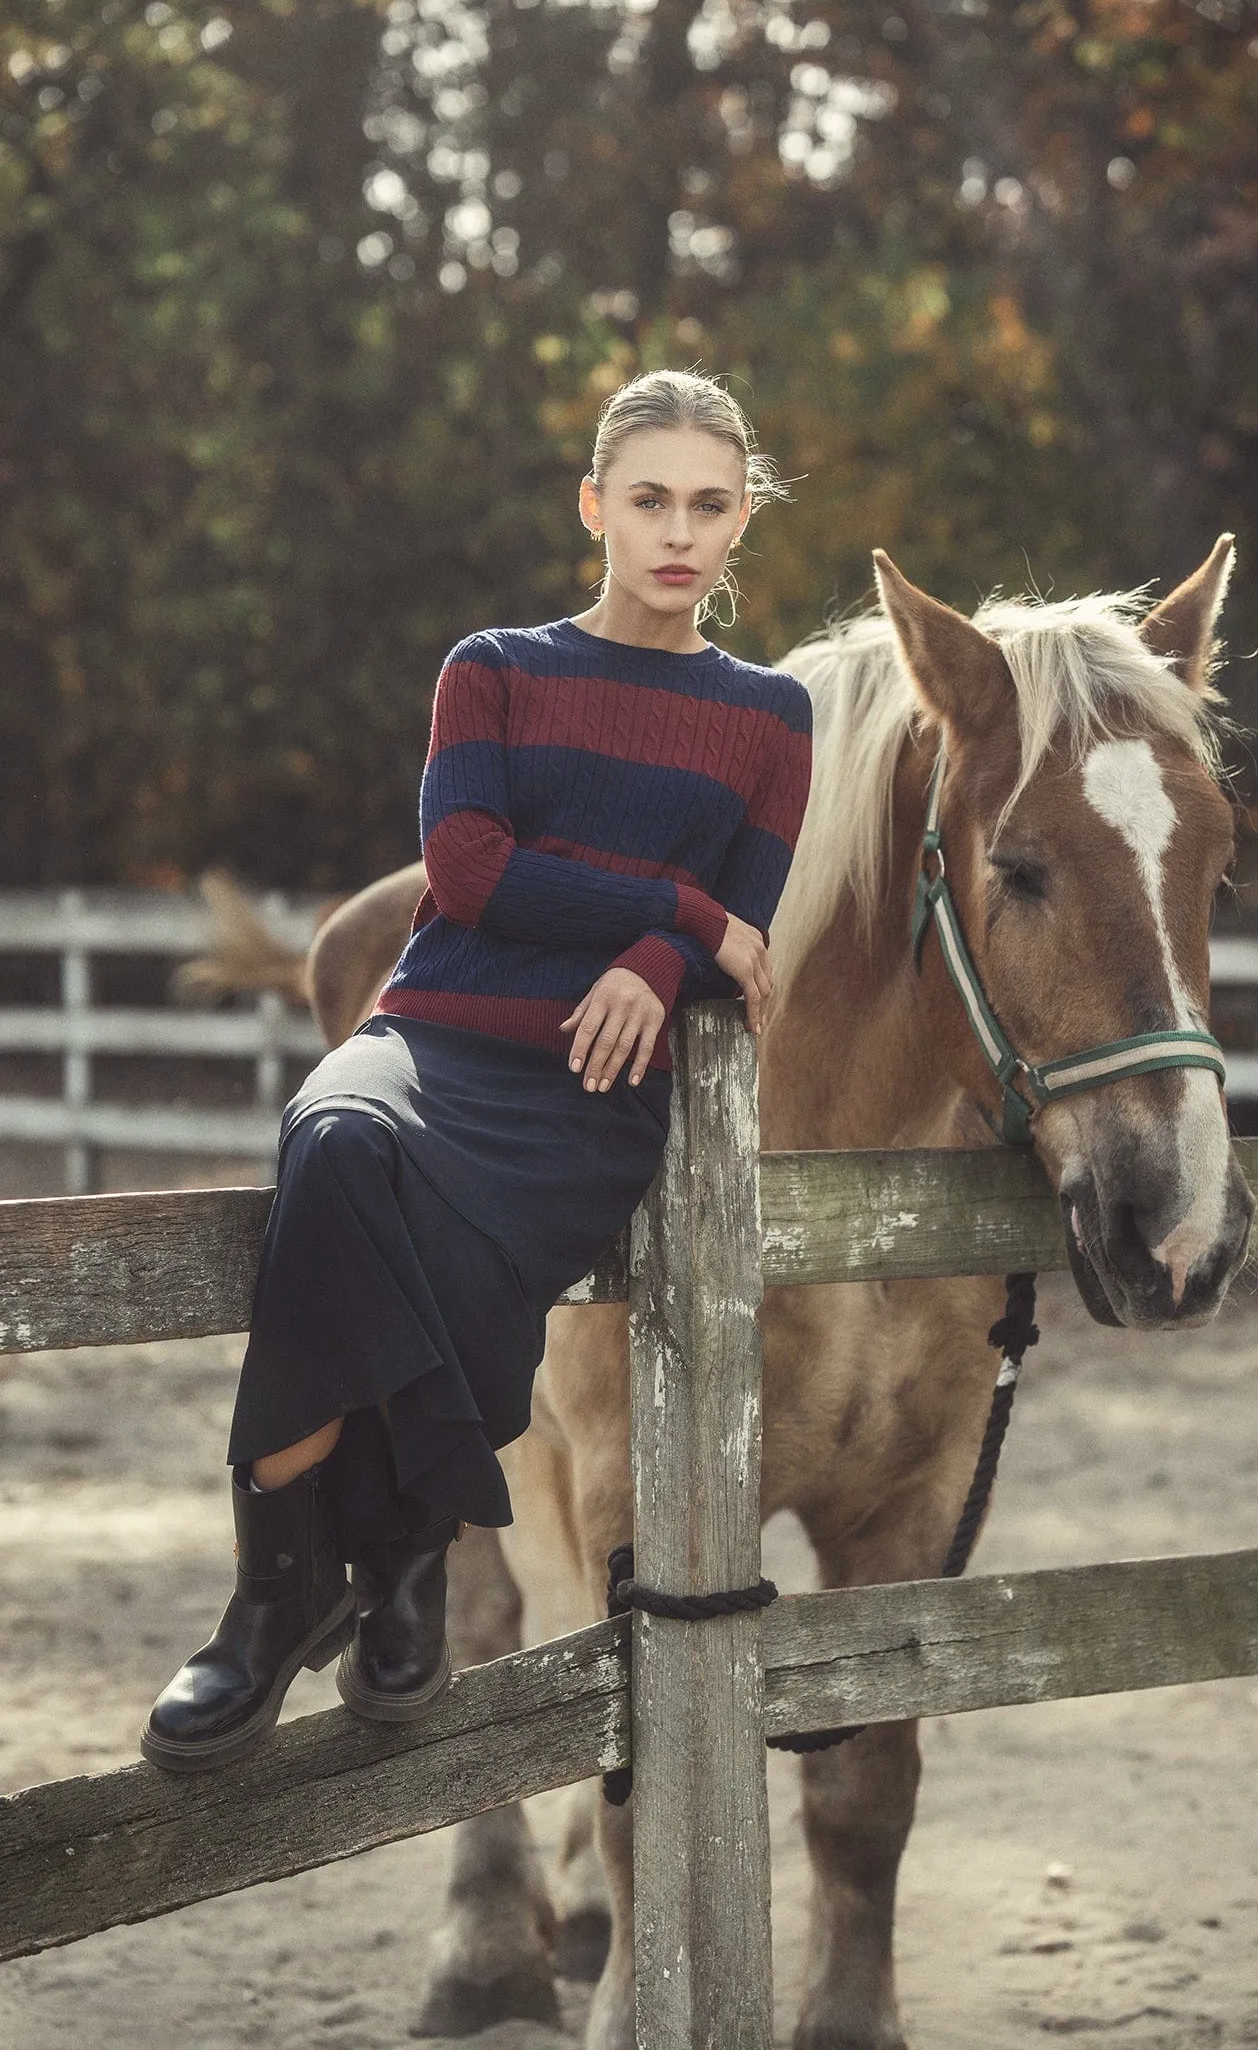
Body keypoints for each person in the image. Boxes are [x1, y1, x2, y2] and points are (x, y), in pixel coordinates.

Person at [140, 369, 814, 1772]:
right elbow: (470, 873)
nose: (677, 532)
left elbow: (751, 935)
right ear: (596, 510)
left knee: (425, 1228)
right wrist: (672, 920)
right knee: (333, 1144)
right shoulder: (493, 668)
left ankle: (382, 1570)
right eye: (648, 501)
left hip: (582, 1090)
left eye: (707, 504)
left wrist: (669, 959)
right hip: (431, 1031)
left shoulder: (771, 718)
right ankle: (286, 1605)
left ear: (742, 517)